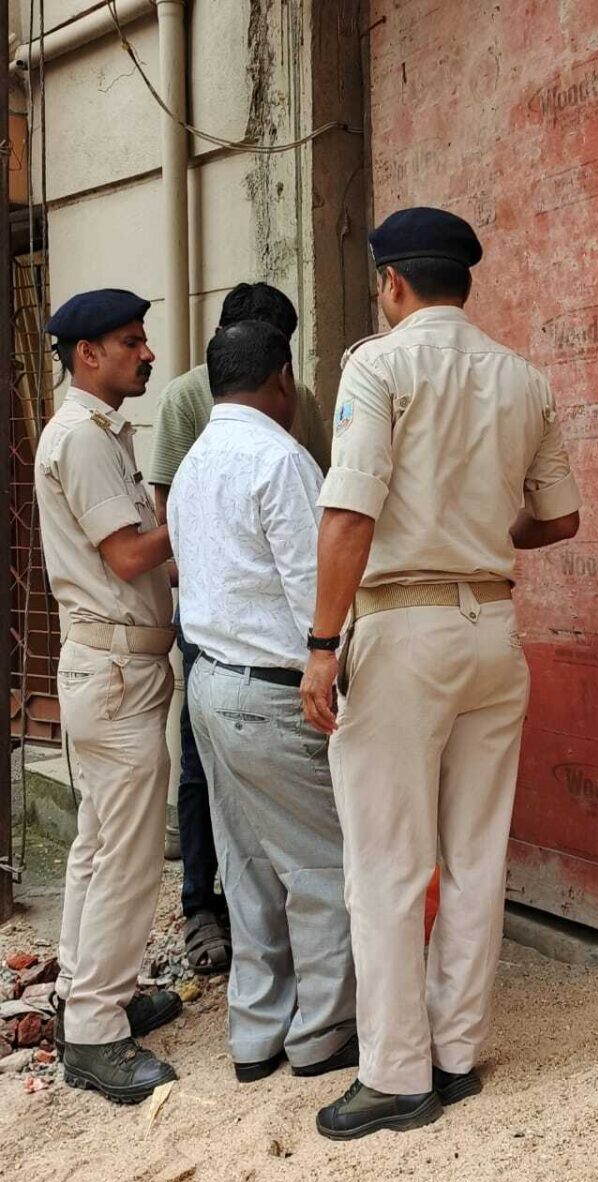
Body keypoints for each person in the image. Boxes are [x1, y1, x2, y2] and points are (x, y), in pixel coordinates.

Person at [302, 207, 582, 1140]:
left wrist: (321, 644)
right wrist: (478, 532)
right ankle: (456, 1055)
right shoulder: (524, 378)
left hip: (403, 628)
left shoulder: (377, 365)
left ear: (391, 283)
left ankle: (394, 1076)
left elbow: (350, 513)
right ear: (464, 281)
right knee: (475, 855)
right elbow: (560, 518)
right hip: (490, 626)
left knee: (386, 862)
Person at [168, 320, 357, 1083]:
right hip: (274, 693)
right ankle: (323, 1035)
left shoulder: (192, 463)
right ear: (283, 379)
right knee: (323, 866)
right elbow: (317, 594)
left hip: (209, 684)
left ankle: (256, 1035)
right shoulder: (282, 460)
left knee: (247, 868)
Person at [147, 283, 331, 977]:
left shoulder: (287, 415)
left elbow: (318, 507)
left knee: (260, 839)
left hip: (243, 643)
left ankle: (262, 1000)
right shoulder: (194, 404)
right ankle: (201, 903)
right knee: (212, 778)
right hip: (236, 640)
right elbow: (169, 513)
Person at [34, 289, 183, 1104]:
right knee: (127, 855)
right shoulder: (84, 438)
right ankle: (96, 1034)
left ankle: (86, 996)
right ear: (87, 354)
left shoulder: (100, 432)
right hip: (116, 672)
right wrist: (201, 512)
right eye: (131, 341)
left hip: (114, 671)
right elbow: (128, 557)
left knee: (98, 844)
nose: (147, 353)